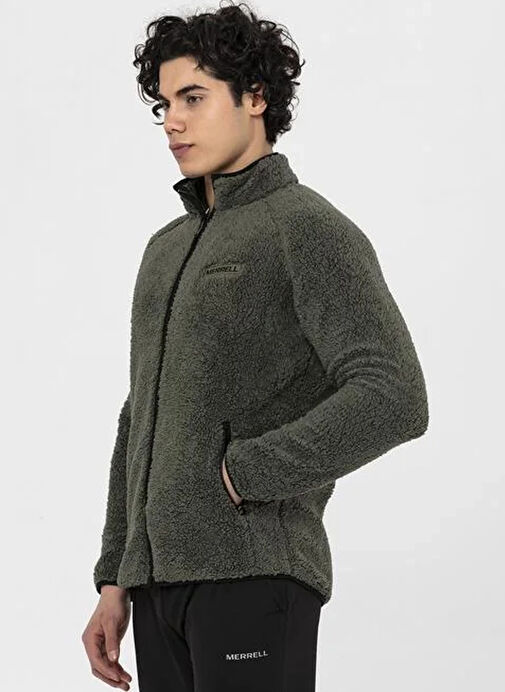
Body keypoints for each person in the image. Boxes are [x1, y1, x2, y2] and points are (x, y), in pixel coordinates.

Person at [81, 2, 429, 690]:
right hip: (157, 589)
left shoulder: (306, 227)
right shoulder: (165, 249)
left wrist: (245, 475)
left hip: (253, 573)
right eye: (163, 105)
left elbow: (394, 395)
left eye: (193, 98)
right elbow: (138, 417)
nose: (172, 121)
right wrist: (116, 576)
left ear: (256, 98)